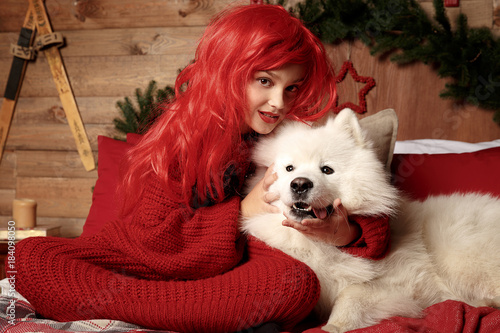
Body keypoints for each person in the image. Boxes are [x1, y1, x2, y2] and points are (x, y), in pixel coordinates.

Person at [14, 4, 390, 333]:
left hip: (228, 275)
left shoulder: (288, 137)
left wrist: (348, 230)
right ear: (228, 71)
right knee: (31, 258)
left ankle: (176, 310)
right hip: (147, 261)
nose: (278, 102)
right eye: (265, 81)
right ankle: (180, 310)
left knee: (293, 283)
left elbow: (362, 193)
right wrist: (243, 210)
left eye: (291, 88)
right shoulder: (183, 136)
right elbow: (155, 242)